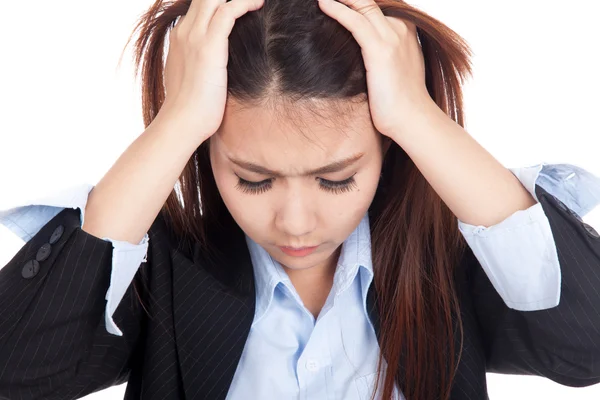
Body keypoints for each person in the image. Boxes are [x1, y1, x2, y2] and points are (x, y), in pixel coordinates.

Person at [1, 0, 600, 399]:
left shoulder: (456, 262)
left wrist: (420, 114)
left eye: (336, 179)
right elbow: (17, 366)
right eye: (254, 180)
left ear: (389, 146)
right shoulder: (160, 272)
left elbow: (587, 348)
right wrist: (177, 117)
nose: (294, 221)